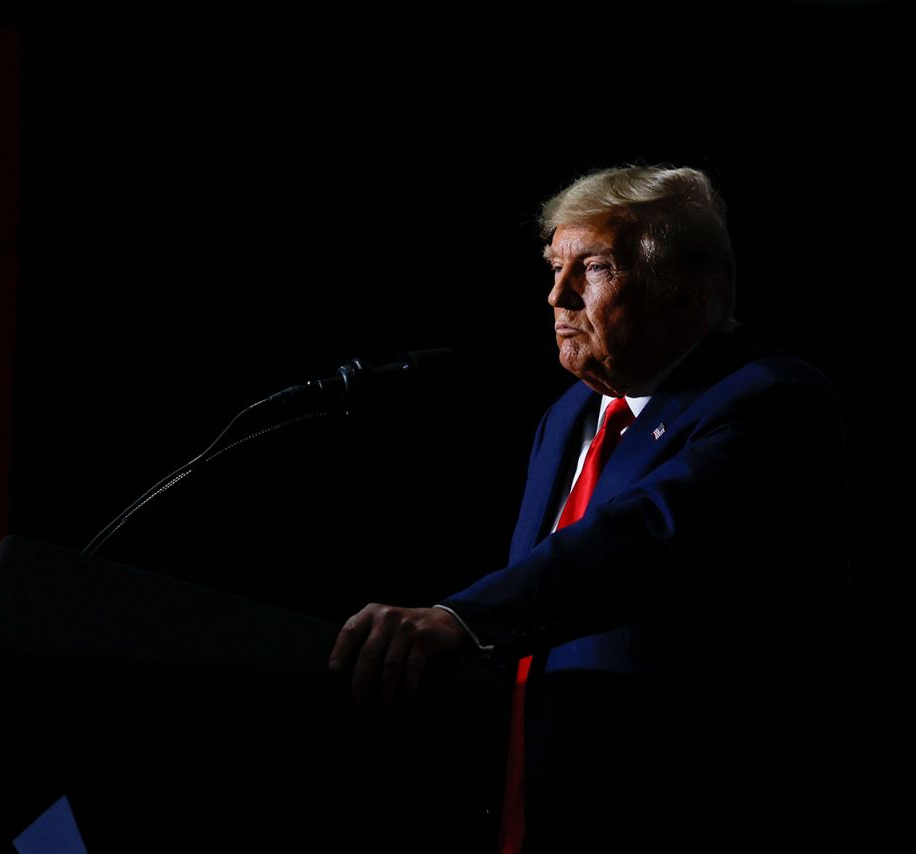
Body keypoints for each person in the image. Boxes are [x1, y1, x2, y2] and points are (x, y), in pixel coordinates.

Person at [329, 165, 847, 851]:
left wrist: (460, 618)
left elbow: (642, 538)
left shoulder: (769, 400)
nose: (556, 295)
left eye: (594, 267)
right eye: (554, 266)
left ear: (688, 290)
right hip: (532, 798)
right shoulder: (566, 417)